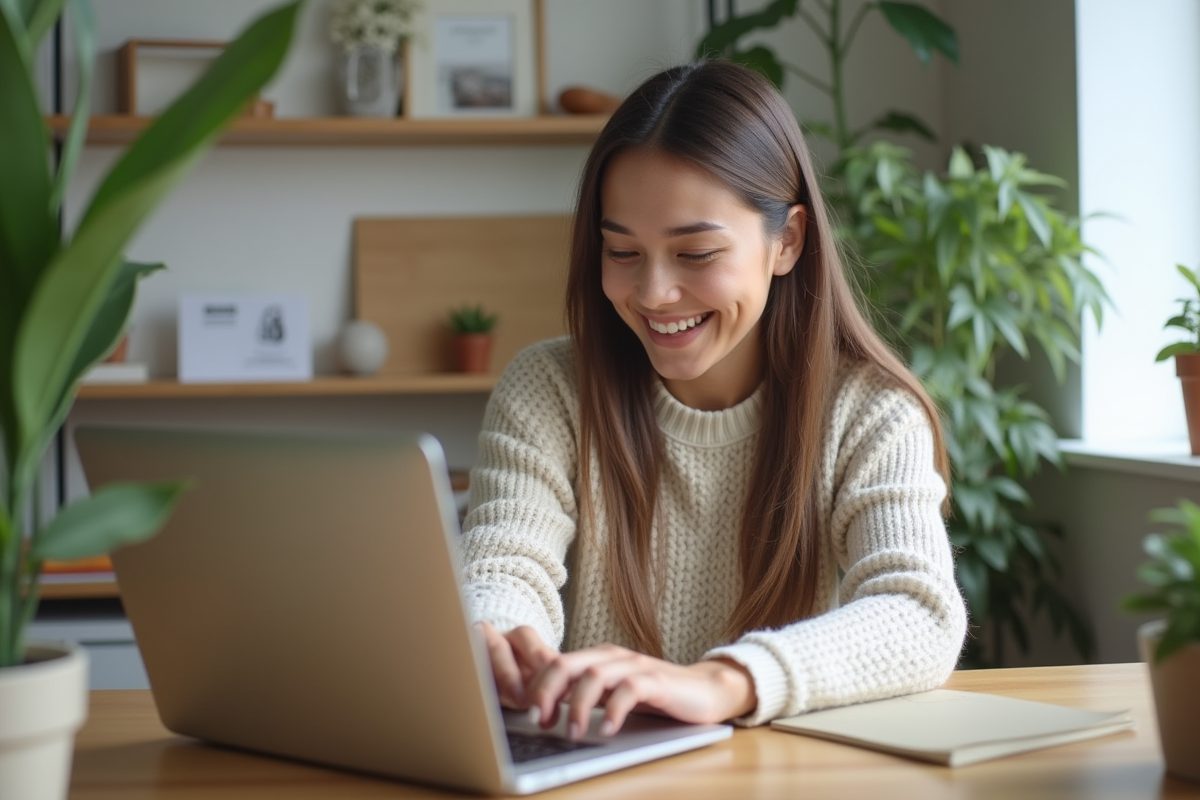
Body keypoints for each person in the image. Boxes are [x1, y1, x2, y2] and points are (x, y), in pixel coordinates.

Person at [461, 61, 967, 742]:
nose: (652, 293)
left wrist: (721, 682)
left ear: (786, 241)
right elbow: (504, 566)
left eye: (696, 253)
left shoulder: (869, 413)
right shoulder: (550, 389)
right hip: (596, 770)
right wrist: (499, 639)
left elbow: (918, 611)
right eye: (622, 251)